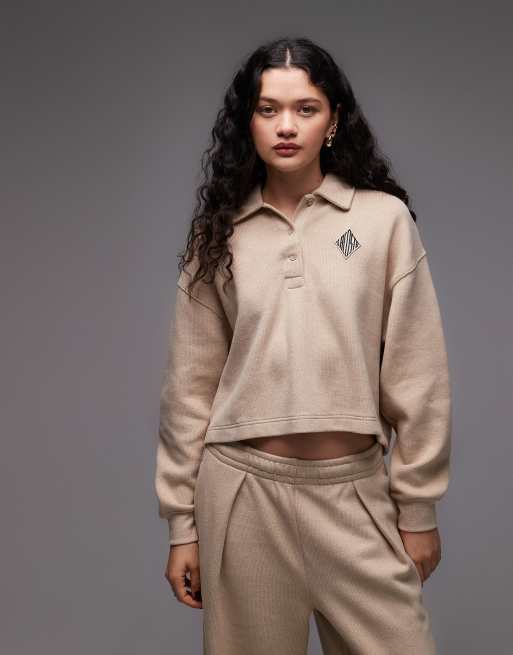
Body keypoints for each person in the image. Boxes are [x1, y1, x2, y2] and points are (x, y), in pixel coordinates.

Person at [154, 36, 452, 655]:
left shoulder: (382, 221)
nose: (286, 126)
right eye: (268, 109)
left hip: (356, 497)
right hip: (243, 498)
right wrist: (183, 526)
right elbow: (188, 391)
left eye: (305, 108)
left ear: (333, 119)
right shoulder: (218, 235)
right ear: (248, 122)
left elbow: (417, 376)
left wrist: (418, 509)